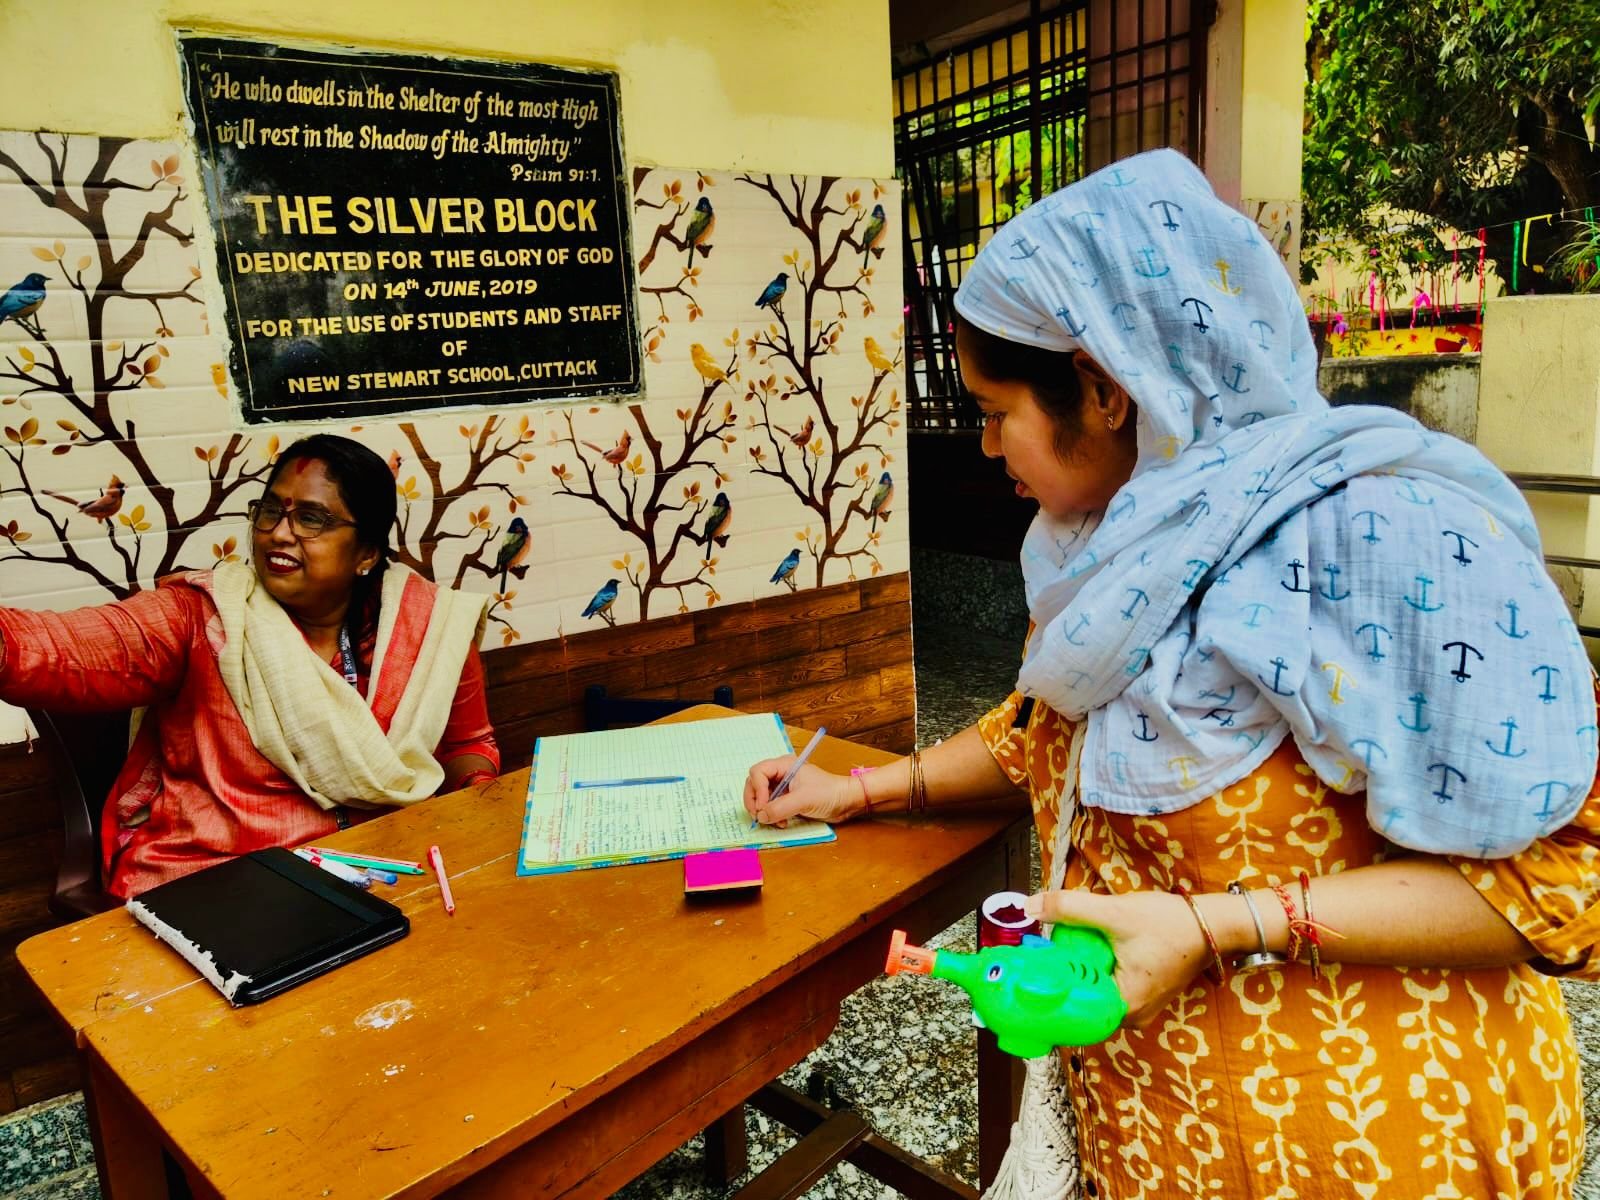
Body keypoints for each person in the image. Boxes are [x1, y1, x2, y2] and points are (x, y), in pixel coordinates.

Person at [746, 149, 1600, 1198]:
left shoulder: (1380, 539)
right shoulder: (1107, 557)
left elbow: (1559, 881)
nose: (985, 446)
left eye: (996, 410)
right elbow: (1038, 731)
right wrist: (862, 789)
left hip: (1377, 1145)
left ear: (1105, 390)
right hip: (1152, 1130)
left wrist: (1217, 927)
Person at [0, 434, 499, 900]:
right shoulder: (201, 617)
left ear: (366, 553)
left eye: (311, 519)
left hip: (378, 873)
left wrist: (477, 805)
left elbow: (467, 745)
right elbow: (50, 648)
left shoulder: (429, 627)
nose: (278, 534)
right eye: (270, 511)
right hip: (213, 883)